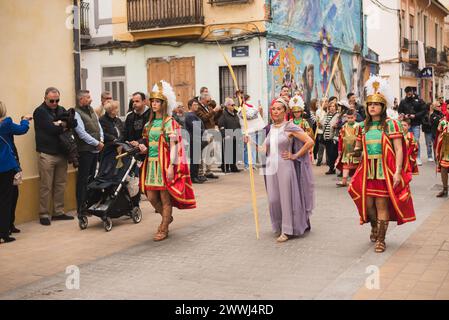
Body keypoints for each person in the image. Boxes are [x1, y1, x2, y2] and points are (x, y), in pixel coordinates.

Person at [349, 76, 416, 253]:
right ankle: (374, 227)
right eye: (370, 104)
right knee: (368, 206)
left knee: (381, 205)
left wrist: (398, 172)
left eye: (376, 104)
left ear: (383, 107)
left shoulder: (391, 125)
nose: (372, 107)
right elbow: (358, 148)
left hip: (384, 171)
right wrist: (353, 151)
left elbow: (399, 150)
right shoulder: (363, 126)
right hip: (367, 172)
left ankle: (381, 239)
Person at [246, 98, 315, 243]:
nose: (275, 111)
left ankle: (287, 229)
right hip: (270, 168)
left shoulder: (289, 127)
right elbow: (264, 149)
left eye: (279, 109)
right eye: (273, 109)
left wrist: (295, 155)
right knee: (273, 199)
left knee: (286, 198)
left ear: (285, 112)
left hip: (285, 166)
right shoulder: (271, 128)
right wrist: (250, 142)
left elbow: (310, 141)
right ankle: (278, 224)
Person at [135, 81, 196, 241]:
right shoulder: (149, 124)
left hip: (164, 164)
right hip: (151, 164)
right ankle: (167, 217)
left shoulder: (170, 122)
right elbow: (150, 145)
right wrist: (144, 149)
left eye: (157, 102)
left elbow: (175, 146)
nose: (154, 104)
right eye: (153, 101)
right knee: (151, 197)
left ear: (163, 104)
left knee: (164, 198)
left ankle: (163, 227)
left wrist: (170, 166)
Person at [33, 87, 74, 225]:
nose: (55, 103)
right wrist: (63, 125)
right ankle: (44, 214)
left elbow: (73, 123)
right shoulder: (40, 112)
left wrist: (61, 124)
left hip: (61, 153)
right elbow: (51, 129)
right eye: (52, 100)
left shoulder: (61, 109)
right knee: (46, 186)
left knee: (60, 184)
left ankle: (58, 212)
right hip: (47, 154)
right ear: (45, 98)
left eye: (57, 100)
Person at [0, 102, 31, 243]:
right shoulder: (6, 124)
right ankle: (4, 233)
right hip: (6, 167)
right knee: (8, 199)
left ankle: (9, 226)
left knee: (8, 197)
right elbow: (22, 129)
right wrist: (25, 119)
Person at [74, 90, 104, 217]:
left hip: (95, 149)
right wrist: (96, 143)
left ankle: (89, 204)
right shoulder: (76, 113)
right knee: (83, 180)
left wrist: (101, 139)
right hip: (85, 151)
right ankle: (81, 207)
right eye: (88, 97)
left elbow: (99, 126)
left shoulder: (91, 110)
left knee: (92, 178)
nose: (90, 99)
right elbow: (81, 132)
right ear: (81, 100)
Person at [123, 92, 152, 208]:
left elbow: (151, 133)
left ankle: (157, 201)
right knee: (134, 179)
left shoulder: (151, 114)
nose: (134, 104)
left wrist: (139, 142)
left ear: (144, 101)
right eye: (133, 101)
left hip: (148, 150)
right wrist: (121, 141)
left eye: (137, 101)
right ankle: (135, 204)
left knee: (150, 178)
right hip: (133, 152)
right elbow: (125, 133)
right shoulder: (130, 116)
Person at [195, 93, 222, 180]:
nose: (209, 102)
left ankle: (208, 171)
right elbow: (204, 118)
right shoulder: (198, 108)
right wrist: (213, 111)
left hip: (212, 130)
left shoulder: (209, 107)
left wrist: (219, 111)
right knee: (204, 152)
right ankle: (201, 172)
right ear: (202, 100)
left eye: (209, 100)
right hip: (205, 131)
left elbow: (214, 119)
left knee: (210, 152)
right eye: (207, 101)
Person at [399, 87, 426, 165]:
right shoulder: (403, 101)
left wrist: (415, 115)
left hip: (416, 123)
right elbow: (400, 111)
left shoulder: (419, 101)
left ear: (412, 92)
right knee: (407, 140)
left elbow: (424, 110)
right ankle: (408, 157)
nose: (409, 94)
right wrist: (404, 115)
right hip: (406, 124)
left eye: (410, 92)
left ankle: (418, 157)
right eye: (407, 93)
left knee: (416, 140)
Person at [98, 100, 124, 178]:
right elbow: (103, 133)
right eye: (116, 108)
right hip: (109, 149)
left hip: (119, 147)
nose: (118, 110)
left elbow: (122, 131)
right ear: (111, 111)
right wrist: (113, 139)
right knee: (109, 170)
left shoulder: (117, 120)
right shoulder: (102, 120)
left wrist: (120, 139)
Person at [335, 109, 360, 187]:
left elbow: (361, 138)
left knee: (357, 167)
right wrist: (339, 149)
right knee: (346, 165)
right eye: (348, 118)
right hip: (346, 150)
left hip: (356, 149)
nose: (349, 119)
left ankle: (356, 182)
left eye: (351, 117)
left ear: (355, 117)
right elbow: (340, 139)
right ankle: (344, 181)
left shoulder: (358, 126)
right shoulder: (344, 127)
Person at [185, 99, 206, 184]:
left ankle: (196, 175)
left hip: (197, 138)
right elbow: (195, 127)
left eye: (197, 104)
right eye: (194, 104)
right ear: (190, 106)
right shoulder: (190, 115)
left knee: (197, 159)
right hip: (193, 139)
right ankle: (193, 177)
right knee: (194, 159)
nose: (196, 106)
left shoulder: (194, 115)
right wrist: (204, 132)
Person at [218, 98, 241, 173]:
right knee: (227, 152)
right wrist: (224, 134)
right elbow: (221, 125)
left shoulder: (235, 114)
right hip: (228, 135)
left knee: (234, 151)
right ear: (227, 106)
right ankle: (225, 166)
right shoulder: (223, 114)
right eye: (232, 105)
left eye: (234, 105)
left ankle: (233, 166)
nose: (233, 106)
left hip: (235, 134)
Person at [321, 97, 340, 174]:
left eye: (333, 106)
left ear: (336, 107)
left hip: (334, 138)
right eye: (330, 106)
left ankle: (334, 167)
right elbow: (323, 124)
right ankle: (331, 168)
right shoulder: (326, 115)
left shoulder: (338, 115)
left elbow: (340, 125)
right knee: (329, 153)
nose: (332, 108)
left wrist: (337, 126)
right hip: (326, 137)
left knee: (333, 153)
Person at [435, 114, 449, 197]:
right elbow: (439, 135)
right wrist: (437, 150)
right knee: (444, 168)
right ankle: (445, 189)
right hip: (446, 149)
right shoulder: (443, 122)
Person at [315, 98, 328, 166]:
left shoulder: (328, 111)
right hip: (321, 131)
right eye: (324, 102)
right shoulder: (318, 111)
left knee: (328, 146)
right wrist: (319, 123)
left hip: (328, 131)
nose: (325, 103)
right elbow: (318, 121)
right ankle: (319, 160)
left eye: (326, 102)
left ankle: (328, 161)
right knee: (321, 146)